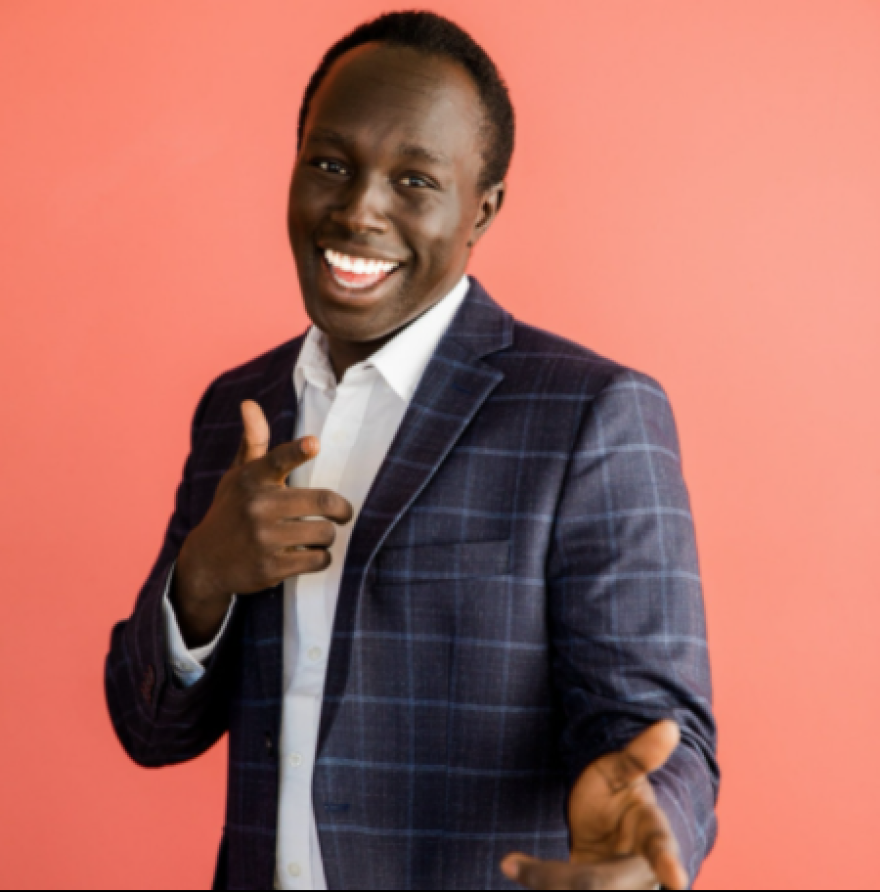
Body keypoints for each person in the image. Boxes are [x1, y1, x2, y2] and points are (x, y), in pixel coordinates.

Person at [105, 11, 718, 891]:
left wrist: (648, 826)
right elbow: (150, 730)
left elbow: (656, 730)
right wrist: (201, 578)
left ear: (483, 210)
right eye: (329, 164)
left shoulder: (589, 414)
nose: (359, 210)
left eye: (416, 180)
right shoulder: (235, 414)